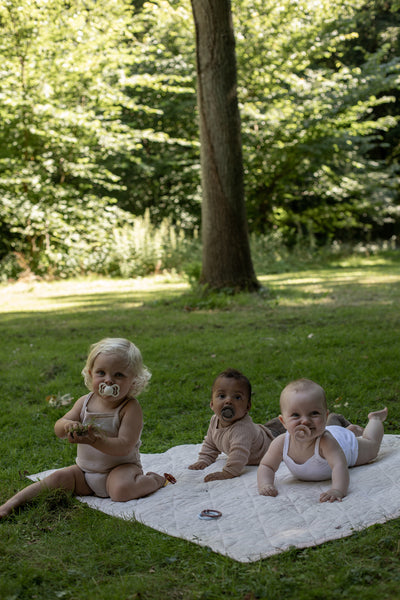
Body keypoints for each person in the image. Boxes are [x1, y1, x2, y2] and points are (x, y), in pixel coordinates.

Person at [0, 338, 166, 518]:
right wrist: (68, 426)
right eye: (101, 373)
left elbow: (124, 446)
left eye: (119, 375)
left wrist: (95, 440)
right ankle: (10, 504)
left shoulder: (129, 408)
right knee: (56, 478)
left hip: (120, 470)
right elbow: (58, 428)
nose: (108, 381)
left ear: (133, 381)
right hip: (85, 473)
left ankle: (153, 480)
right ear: (90, 374)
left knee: (121, 491)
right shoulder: (85, 402)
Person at [188, 368, 361, 482]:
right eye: (221, 396)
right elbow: (211, 443)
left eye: (237, 397)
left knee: (309, 426)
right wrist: (204, 460)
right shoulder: (214, 421)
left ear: (247, 407)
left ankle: (337, 422)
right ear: (212, 403)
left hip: (273, 438)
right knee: (286, 419)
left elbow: (238, 455)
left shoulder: (242, 430)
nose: (228, 401)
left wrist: (227, 472)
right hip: (263, 430)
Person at [257, 378, 387, 502]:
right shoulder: (281, 443)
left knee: (372, 448)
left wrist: (337, 490)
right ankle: (350, 430)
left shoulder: (326, 442)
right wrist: (265, 484)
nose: (305, 421)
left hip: (343, 443)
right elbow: (267, 466)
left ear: (325, 416)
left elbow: (339, 466)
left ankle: (375, 419)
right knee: (343, 433)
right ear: (283, 421)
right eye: (295, 415)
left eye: (314, 413)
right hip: (334, 432)